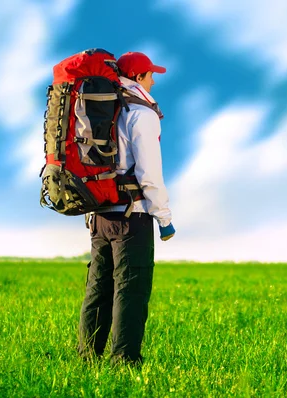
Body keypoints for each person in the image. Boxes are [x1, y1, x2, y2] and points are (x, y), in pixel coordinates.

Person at [77, 51, 175, 366]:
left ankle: (88, 356)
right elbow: (149, 173)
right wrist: (164, 217)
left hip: (100, 213)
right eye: (149, 74)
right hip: (133, 216)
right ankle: (124, 361)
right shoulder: (140, 112)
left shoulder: (101, 107)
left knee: (98, 287)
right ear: (137, 78)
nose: (154, 79)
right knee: (131, 290)